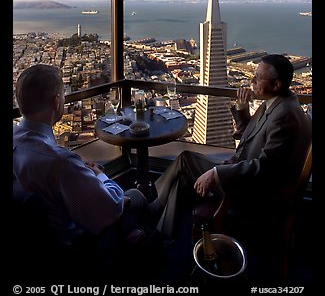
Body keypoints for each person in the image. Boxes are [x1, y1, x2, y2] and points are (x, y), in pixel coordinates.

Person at [149, 54, 312, 241]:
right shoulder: (278, 103)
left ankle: (153, 207)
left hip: (252, 192)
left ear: (276, 85)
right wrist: (242, 109)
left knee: (185, 159)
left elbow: (265, 168)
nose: (252, 81)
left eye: (258, 77)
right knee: (182, 182)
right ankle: (163, 235)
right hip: (247, 175)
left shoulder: (284, 115)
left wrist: (216, 173)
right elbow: (250, 139)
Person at [13, 64, 155, 269]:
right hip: (77, 247)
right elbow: (110, 211)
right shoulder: (59, 162)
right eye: (62, 95)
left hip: (35, 250)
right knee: (137, 197)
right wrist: (100, 176)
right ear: (56, 101)